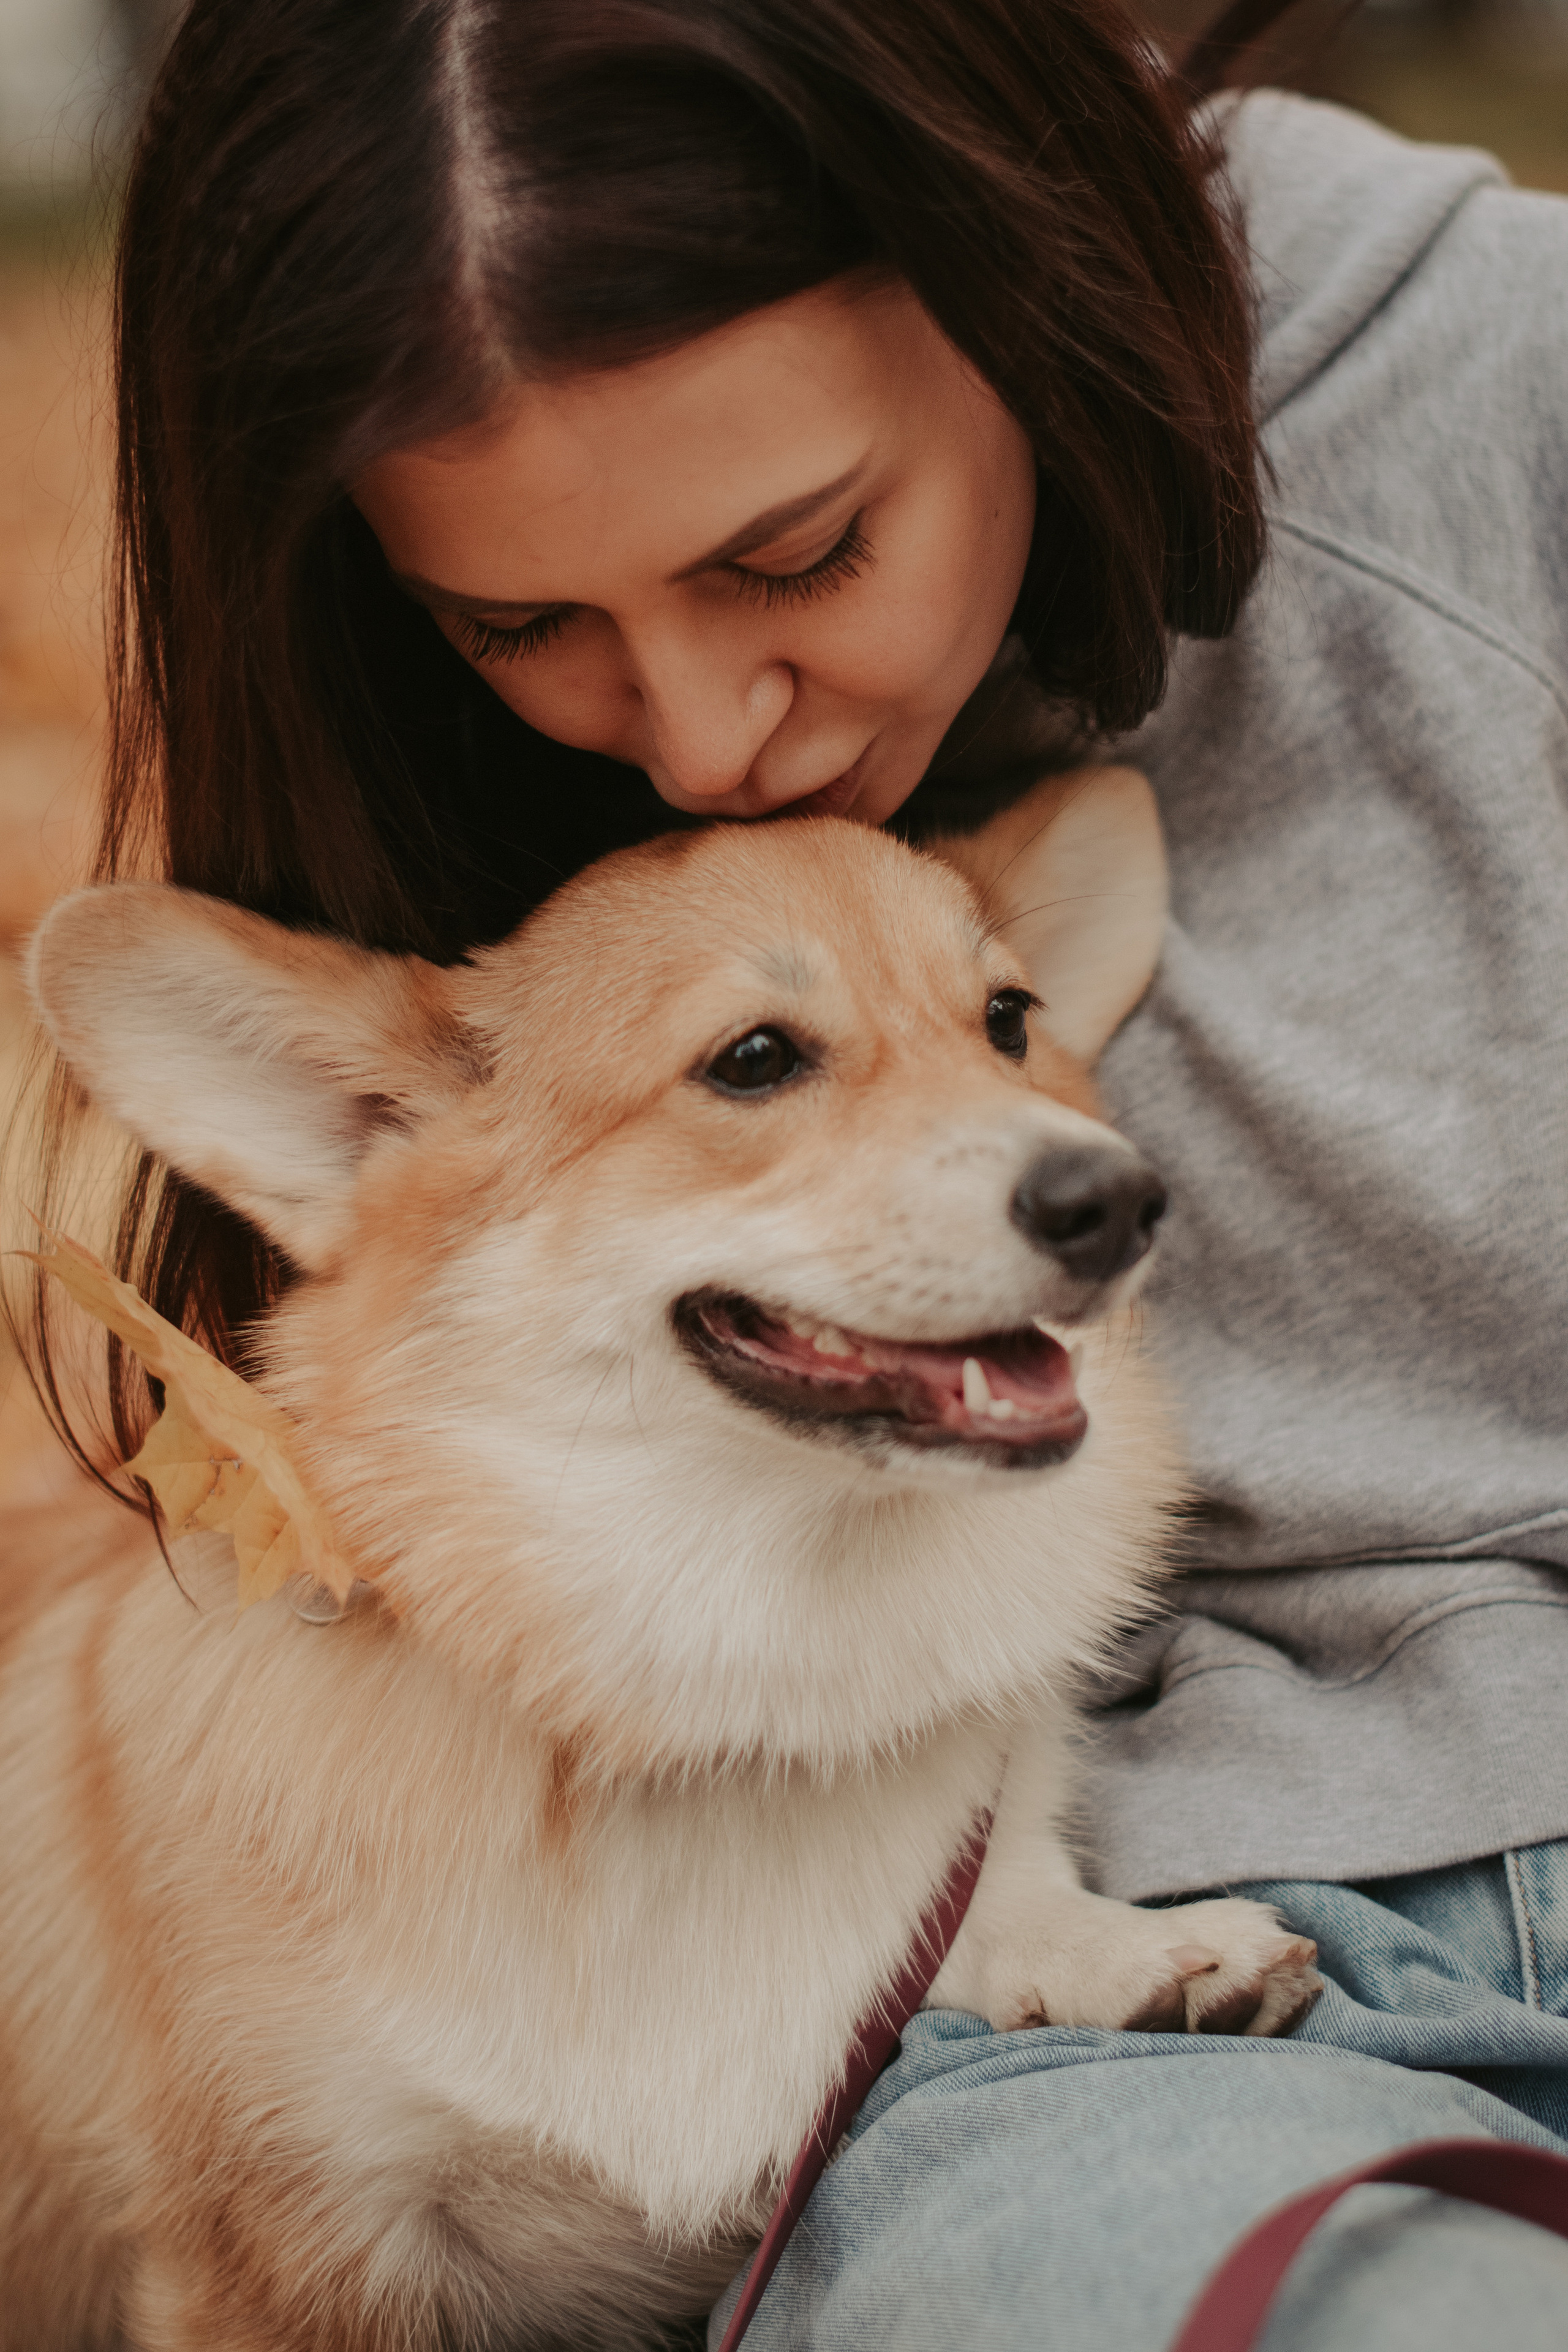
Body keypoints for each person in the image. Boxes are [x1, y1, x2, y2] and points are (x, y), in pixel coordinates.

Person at [29, 0, 1568, 2343]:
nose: (705, 738)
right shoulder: (498, 948)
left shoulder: (1505, 397)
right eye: (518, 622)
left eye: (799, 550)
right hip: (1076, 1991)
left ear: (1014, 269)